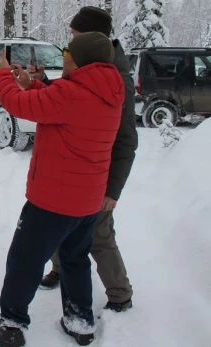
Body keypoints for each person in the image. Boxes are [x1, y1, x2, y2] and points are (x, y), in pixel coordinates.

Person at [0, 32, 124, 347]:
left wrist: (3, 74)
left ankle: (12, 325)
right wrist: (34, 85)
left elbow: (17, 104)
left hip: (53, 202)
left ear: (81, 58)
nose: (64, 54)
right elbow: (63, 107)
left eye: (68, 49)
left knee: (25, 261)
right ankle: (80, 323)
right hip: (86, 202)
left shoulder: (72, 94)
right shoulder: (107, 92)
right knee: (74, 259)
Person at [30, 6, 138, 313]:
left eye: (76, 35)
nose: (71, 41)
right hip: (70, 167)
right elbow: (76, 101)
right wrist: (46, 84)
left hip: (97, 173)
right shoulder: (87, 62)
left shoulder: (118, 78)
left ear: (93, 37)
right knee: (58, 224)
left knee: (99, 235)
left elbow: (127, 139)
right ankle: (62, 269)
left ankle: (120, 294)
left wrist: (112, 190)